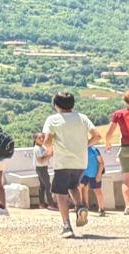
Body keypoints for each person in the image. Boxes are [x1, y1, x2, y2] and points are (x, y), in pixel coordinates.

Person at [41, 93, 96, 237]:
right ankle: (80, 207)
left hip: (63, 161)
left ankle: (67, 226)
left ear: (56, 105)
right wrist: (85, 145)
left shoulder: (53, 119)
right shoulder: (82, 118)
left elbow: (47, 141)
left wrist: (50, 149)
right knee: (73, 186)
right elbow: (97, 136)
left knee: (61, 193)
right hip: (80, 161)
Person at [79, 131, 107, 218]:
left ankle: (101, 209)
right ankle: (80, 207)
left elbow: (101, 163)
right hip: (84, 174)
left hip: (94, 174)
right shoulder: (80, 150)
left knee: (97, 191)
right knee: (78, 188)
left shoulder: (94, 150)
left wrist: (99, 174)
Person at [33, 133, 51, 209]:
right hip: (41, 168)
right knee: (48, 185)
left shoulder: (42, 147)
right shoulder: (37, 148)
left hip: (43, 168)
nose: (41, 139)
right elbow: (40, 161)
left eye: (42, 137)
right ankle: (51, 203)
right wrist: (49, 155)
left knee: (42, 186)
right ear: (35, 139)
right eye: (39, 138)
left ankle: (41, 203)